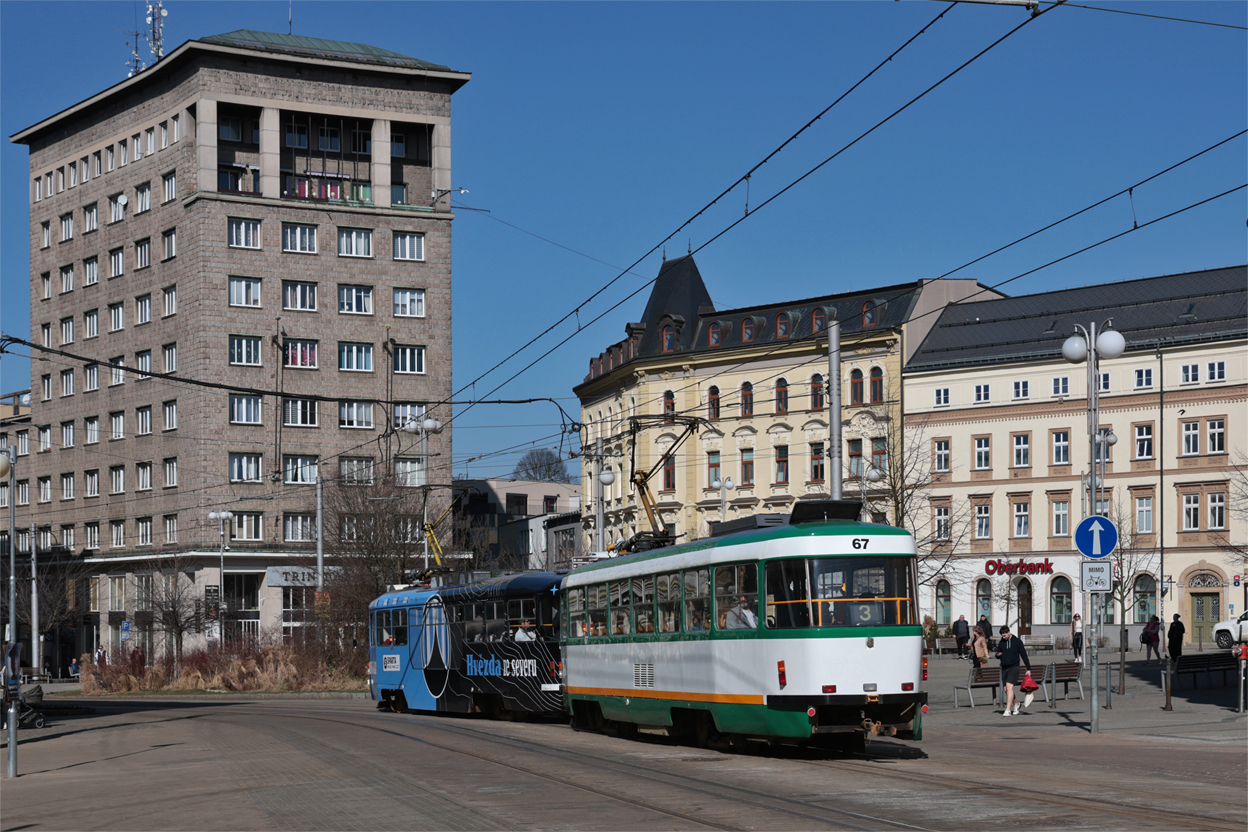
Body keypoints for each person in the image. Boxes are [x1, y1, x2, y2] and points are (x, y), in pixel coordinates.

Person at [995, 625, 1032, 717]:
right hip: (1004, 667)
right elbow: (998, 653)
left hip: (1014, 667)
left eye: (1005, 635)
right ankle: (1016, 703)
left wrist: (1028, 668)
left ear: (1009, 632)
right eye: (1002, 636)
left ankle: (1007, 709)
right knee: (1006, 689)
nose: (1003, 637)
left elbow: (1024, 655)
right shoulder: (1002, 642)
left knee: (1009, 687)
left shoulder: (1017, 642)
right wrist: (998, 655)